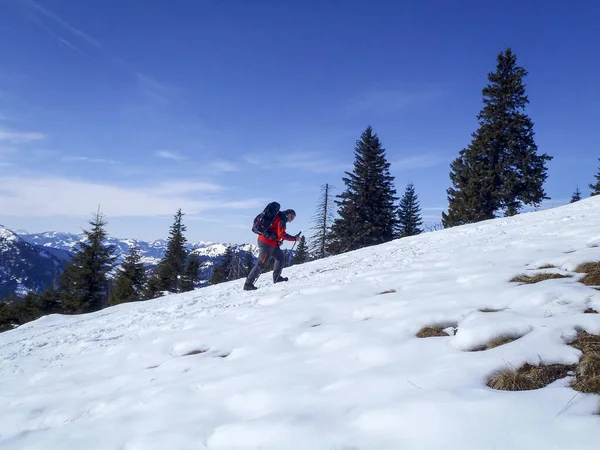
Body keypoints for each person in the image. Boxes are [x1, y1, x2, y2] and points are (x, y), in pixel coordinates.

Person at [244, 209, 300, 290]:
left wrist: (277, 241)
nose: (291, 220)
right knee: (262, 264)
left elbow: (274, 231)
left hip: (271, 242)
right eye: (292, 218)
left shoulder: (278, 216)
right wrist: (294, 238)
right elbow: (282, 234)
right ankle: (248, 284)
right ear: (289, 214)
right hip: (266, 243)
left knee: (280, 256)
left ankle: (277, 278)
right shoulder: (282, 219)